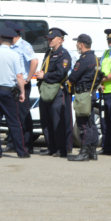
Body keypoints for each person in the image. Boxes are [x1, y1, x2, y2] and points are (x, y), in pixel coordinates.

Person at [0, 26, 29, 159]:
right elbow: (19, 76)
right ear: (12, 40)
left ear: (1, 39)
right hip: (8, 91)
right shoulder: (14, 55)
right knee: (14, 122)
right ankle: (21, 152)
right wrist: (22, 92)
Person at [36, 27, 72, 158]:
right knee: (46, 121)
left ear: (60, 40)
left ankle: (62, 148)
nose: (49, 41)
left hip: (57, 91)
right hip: (46, 91)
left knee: (58, 121)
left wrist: (44, 76)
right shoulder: (48, 53)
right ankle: (51, 146)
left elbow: (61, 73)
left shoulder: (64, 55)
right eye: (48, 39)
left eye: (52, 39)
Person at [68, 34, 100, 162]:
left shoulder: (84, 59)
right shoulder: (96, 58)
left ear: (81, 44)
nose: (77, 46)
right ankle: (92, 151)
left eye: (77, 43)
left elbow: (73, 76)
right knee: (91, 123)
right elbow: (99, 76)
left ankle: (84, 152)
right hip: (91, 93)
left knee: (83, 124)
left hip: (83, 95)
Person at [10, 23, 38, 152]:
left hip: (23, 85)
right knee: (13, 114)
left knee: (23, 114)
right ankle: (14, 141)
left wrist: (28, 79)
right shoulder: (11, 46)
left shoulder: (24, 46)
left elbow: (34, 61)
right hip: (12, 84)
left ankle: (28, 144)